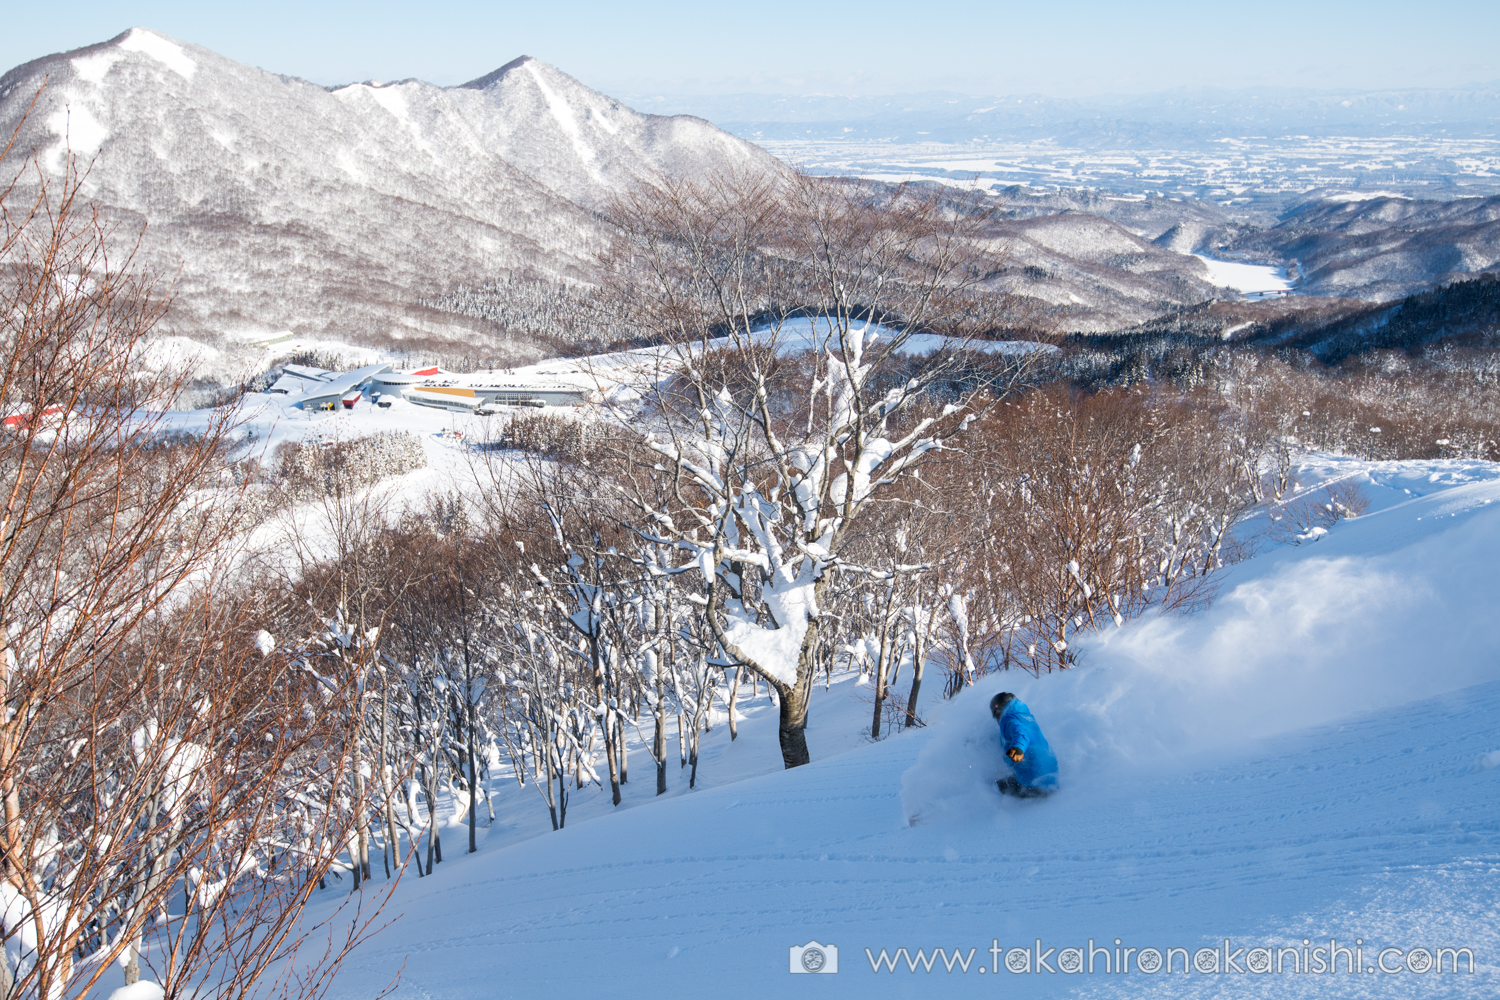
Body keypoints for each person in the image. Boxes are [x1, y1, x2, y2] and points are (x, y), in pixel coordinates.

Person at [990, 692, 1059, 798]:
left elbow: (1021, 733)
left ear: (1000, 709)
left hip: (1032, 781)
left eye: (996, 714)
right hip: (1052, 778)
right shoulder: (1025, 718)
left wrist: (1018, 748)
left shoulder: (1009, 720)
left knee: (992, 787)